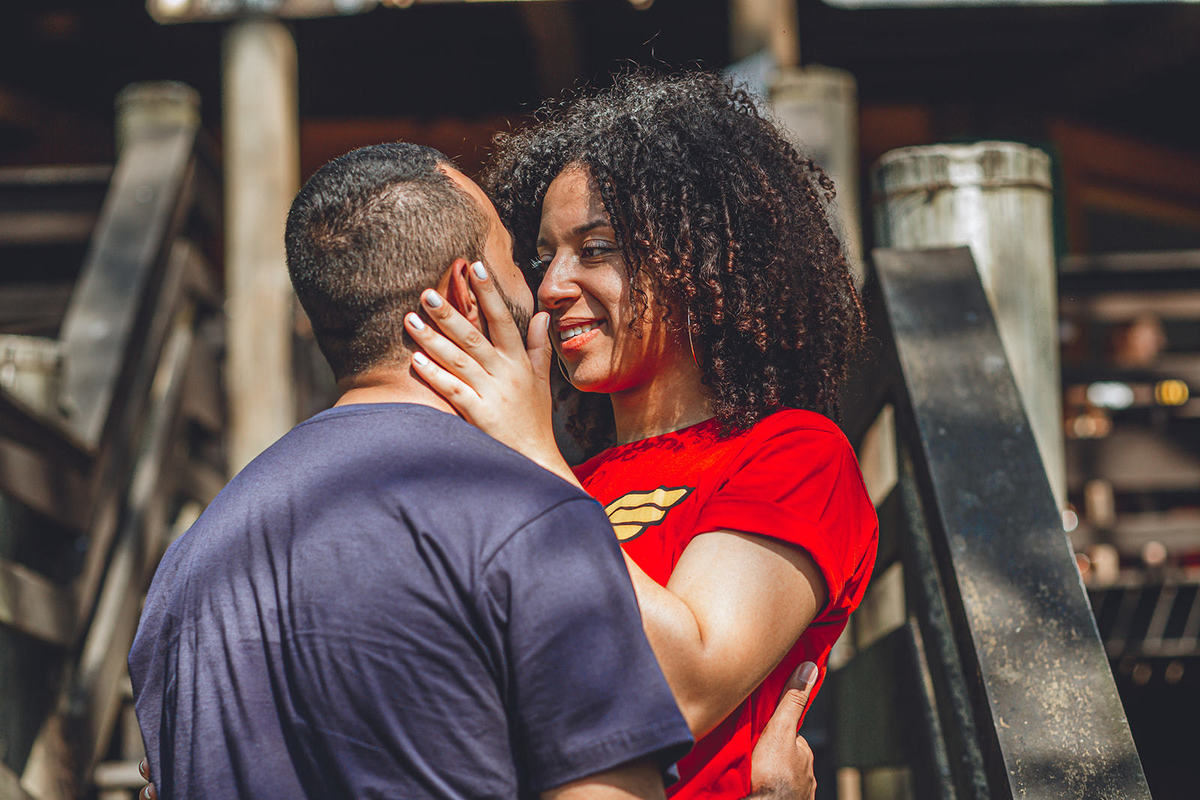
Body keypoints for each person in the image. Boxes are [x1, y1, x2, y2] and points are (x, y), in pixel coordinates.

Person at [129, 141, 817, 800]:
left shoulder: (187, 560)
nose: (547, 287)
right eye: (526, 258)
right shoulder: (528, 515)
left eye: (595, 249)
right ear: (467, 290)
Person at [402, 71, 879, 798]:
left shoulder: (795, 454)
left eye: (597, 248)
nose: (552, 286)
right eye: (545, 256)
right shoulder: (572, 479)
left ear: (704, 259)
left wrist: (530, 453)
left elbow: (682, 687)